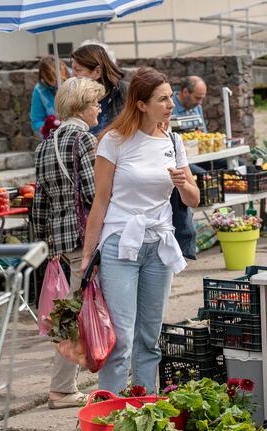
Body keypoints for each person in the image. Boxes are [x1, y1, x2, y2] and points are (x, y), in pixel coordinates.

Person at [80, 68, 200, 394]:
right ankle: (111, 412)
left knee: (150, 337)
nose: (171, 104)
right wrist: (89, 255)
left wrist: (184, 184)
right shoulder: (114, 141)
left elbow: (194, 198)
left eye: (171, 96)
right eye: (163, 98)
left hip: (159, 245)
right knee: (120, 338)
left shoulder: (173, 141)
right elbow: (100, 202)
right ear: (142, 104)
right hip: (120, 243)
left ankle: (145, 411)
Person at [32, 77, 103, 408]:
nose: (99, 108)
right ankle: (61, 389)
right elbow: (94, 194)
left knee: (71, 313)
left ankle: (64, 386)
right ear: (81, 106)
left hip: (60, 244)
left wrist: (48, 245)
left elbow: (40, 203)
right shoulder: (84, 140)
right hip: (85, 238)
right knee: (85, 313)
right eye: (94, 103)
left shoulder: (45, 144)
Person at [71, 43, 129, 136]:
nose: (73, 74)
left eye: (78, 70)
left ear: (98, 71)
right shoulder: (73, 95)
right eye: (72, 69)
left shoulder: (125, 92)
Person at [30, 56, 69, 137]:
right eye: (52, 79)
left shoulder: (75, 81)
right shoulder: (40, 89)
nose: (57, 82)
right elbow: (37, 120)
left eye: (59, 78)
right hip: (54, 136)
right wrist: (48, 127)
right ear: (43, 77)